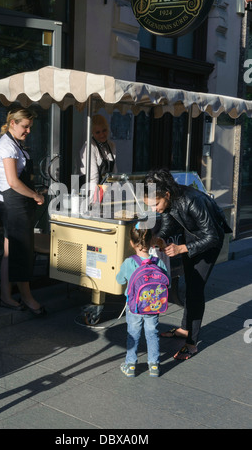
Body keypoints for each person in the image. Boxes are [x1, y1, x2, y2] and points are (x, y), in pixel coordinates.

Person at [143, 168, 232, 360]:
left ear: (166, 194)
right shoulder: (170, 199)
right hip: (190, 238)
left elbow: (213, 237)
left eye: (156, 204)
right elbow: (168, 222)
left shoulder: (193, 200)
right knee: (190, 284)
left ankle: (192, 343)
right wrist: (158, 238)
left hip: (209, 242)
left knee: (195, 289)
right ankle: (185, 329)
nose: (154, 209)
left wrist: (182, 248)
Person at [0, 108, 46, 315]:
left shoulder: (14, 144)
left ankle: (6, 296)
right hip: (13, 203)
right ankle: (27, 297)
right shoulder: (7, 146)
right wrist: (35, 195)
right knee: (22, 252)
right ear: (13, 123)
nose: (28, 131)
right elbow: (13, 182)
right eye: (25, 126)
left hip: (13, 202)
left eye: (30, 127)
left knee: (10, 252)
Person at [116, 226, 169, 377]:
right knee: (152, 334)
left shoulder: (129, 262)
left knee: (133, 334)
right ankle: (154, 366)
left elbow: (119, 279)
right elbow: (167, 282)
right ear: (152, 241)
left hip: (134, 307)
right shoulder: (158, 263)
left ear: (132, 243)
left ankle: (130, 365)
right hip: (153, 306)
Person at [80, 114, 117, 189]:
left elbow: (114, 172)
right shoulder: (89, 147)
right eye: (98, 132)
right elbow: (93, 176)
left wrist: (115, 191)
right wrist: (94, 199)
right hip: (90, 189)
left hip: (106, 190)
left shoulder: (111, 145)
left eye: (104, 130)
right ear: (92, 133)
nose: (102, 135)